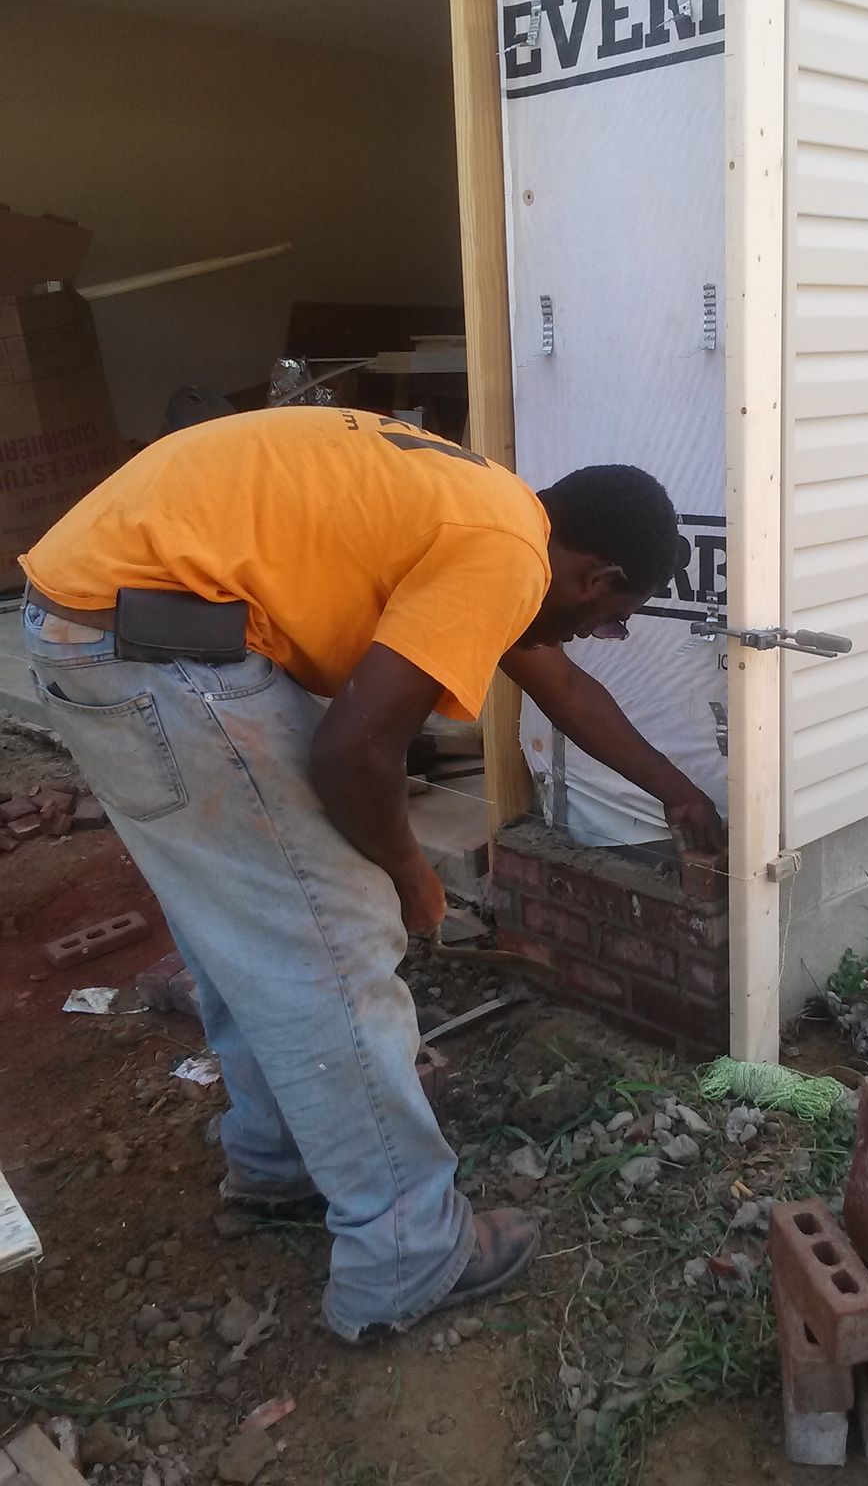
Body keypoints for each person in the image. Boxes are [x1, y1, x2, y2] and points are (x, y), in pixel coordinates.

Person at [18, 405, 723, 1342]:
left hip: (96, 623)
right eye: (614, 619)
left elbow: (562, 688)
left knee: (246, 923)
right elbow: (353, 751)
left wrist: (682, 794)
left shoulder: (485, 508)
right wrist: (407, 873)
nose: (604, 635)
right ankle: (407, 1253)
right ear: (599, 577)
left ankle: (276, 1160)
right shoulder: (504, 552)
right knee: (336, 938)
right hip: (157, 647)